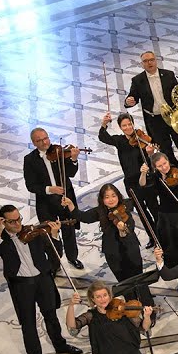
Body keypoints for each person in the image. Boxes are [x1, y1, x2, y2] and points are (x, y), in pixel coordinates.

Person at [0, 209, 83, 354]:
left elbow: (56, 254)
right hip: (21, 285)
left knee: (51, 316)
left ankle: (61, 345)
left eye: (19, 219)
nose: (18, 224)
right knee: (28, 325)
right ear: (3, 222)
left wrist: (54, 235)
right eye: (12, 221)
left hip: (42, 280)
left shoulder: (35, 232)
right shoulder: (2, 239)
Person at [67, 182, 154, 306]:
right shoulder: (100, 211)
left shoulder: (126, 205)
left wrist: (122, 231)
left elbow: (130, 228)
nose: (111, 199)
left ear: (118, 196)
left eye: (113, 196)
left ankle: (148, 305)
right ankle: (132, 307)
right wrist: (71, 205)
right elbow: (83, 217)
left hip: (130, 249)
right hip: (113, 253)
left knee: (139, 281)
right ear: (102, 199)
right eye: (107, 197)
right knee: (124, 284)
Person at [97, 112, 160, 245]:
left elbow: (152, 162)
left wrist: (150, 153)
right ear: (120, 127)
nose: (128, 127)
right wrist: (104, 123)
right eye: (124, 125)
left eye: (129, 124)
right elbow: (103, 137)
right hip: (131, 182)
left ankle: (161, 234)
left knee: (154, 208)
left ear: (133, 123)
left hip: (146, 180)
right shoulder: (119, 141)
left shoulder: (142, 139)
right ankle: (153, 237)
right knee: (142, 212)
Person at [24, 126, 84, 268]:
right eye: (40, 140)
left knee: (69, 228)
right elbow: (31, 186)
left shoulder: (59, 152)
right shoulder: (30, 160)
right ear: (34, 143)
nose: (45, 142)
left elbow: (71, 173)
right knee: (50, 232)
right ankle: (55, 263)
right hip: (45, 201)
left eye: (46, 138)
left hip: (65, 198)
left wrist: (74, 159)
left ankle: (72, 258)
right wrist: (50, 189)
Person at [124, 51, 178, 168]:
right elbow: (132, 98)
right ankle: (175, 172)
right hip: (154, 121)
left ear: (156, 61)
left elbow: (177, 93)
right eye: (146, 61)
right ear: (142, 64)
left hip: (173, 116)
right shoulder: (137, 80)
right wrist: (128, 101)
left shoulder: (169, 75)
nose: (149, 63)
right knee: (165, 150)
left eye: (151, 60)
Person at [138, 153, 178, 261]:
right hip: (165, 214)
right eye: (160, 166)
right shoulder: (156, 176)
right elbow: (142, 184)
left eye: (165, 163)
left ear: (168, 161)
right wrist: (143, 173)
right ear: (155, 167)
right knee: (170, 244)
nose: (164, 167)